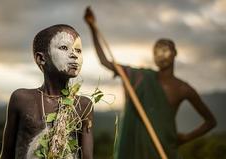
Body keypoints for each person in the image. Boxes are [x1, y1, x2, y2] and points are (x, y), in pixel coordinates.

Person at [84, 7, 216, 159]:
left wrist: (186, 138)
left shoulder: (183, 89)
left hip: (164, 148)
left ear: (175, 53)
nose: (162, 53)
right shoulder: (139, 76)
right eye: (157, 50)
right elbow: (105, 61)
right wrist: (93, 27)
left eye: (166, 49)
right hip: (134, 148)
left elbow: (210, 121)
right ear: (153, 56)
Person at [0, 24, 93, 159]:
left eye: (78, 50)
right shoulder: (21, 99)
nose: (74, 55)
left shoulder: (83, 105)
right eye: (64, 48)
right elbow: (6, 154)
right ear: (41, 58)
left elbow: (87, 157)